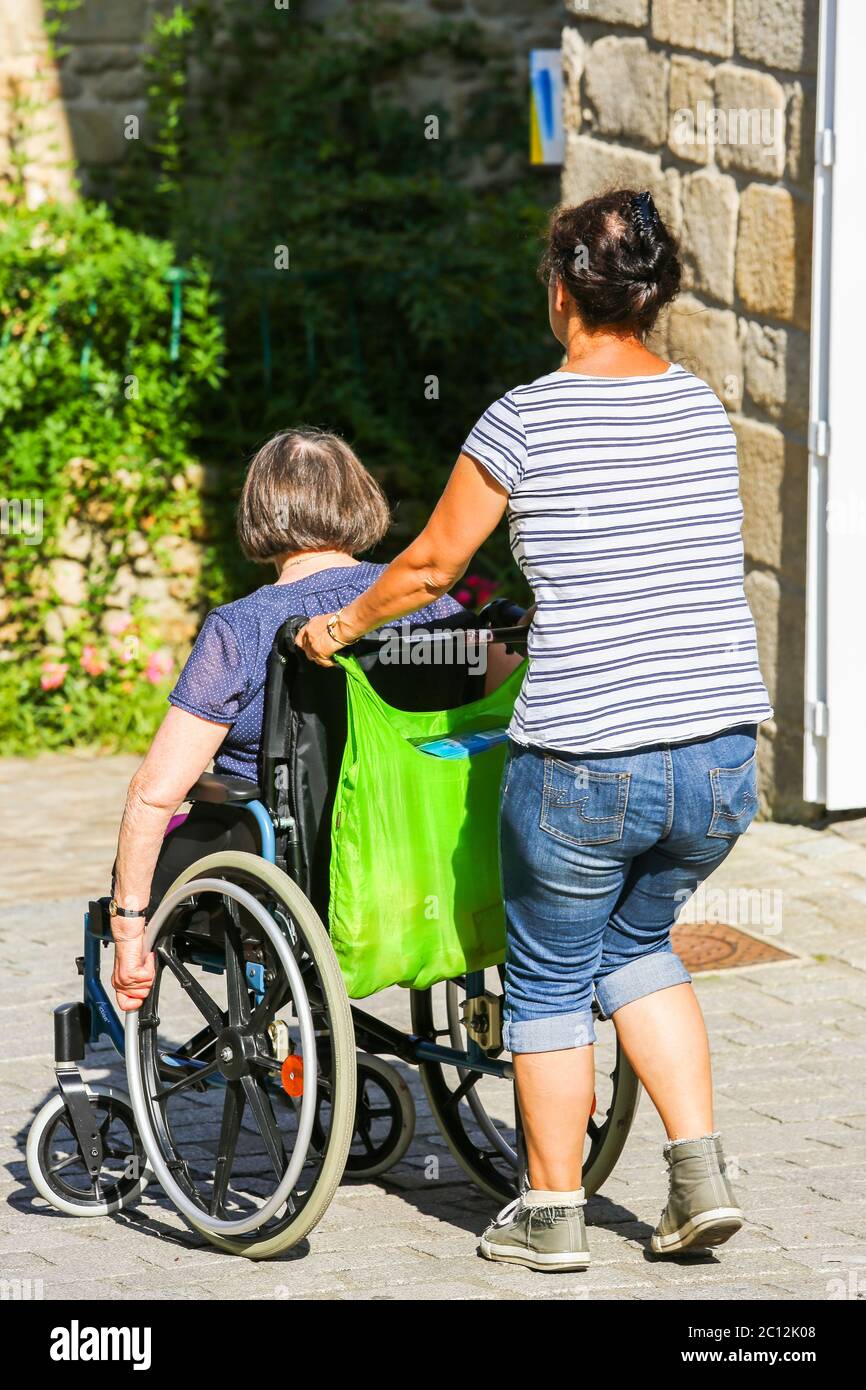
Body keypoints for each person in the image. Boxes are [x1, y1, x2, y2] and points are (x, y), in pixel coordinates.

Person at [297, 190, 773, 1271]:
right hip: (716, 753)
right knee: (636, 946)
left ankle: (551, 1213)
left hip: (586, 760)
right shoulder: (701, 407)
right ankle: (697, 1178)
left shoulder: (523, 417)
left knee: (552, 978)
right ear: (652, 295)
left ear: (559, 292)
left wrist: (338, 625)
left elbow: (428, 567)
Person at [108, 428, 508, 1012]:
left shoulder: (239, 627)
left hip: (299, 870)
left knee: (151, 843)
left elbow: (152, 794)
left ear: (259, 513)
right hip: (420, 856)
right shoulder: (432, 608)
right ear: (359, 500)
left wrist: (127, 927)